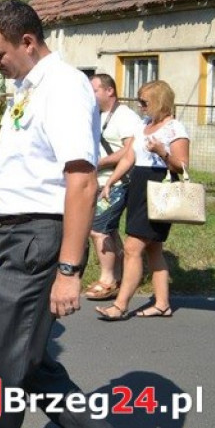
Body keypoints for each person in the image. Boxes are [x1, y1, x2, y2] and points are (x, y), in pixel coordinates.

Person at [0, 0, 113, 428]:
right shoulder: (31, 85)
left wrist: (70, 270)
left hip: (37, 238)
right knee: (29, 364)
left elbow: (83, 180)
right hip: (18, 237)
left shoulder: (64, 87)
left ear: (29, 41)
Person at [96, 80, 189, 322]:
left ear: (159, 100)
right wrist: (110, 181)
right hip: (139, 186)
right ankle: (162, 304)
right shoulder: (144, 125)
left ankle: (120, 305)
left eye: (145, 101)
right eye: (139, 101)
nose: (141, 106)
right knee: (153, 248)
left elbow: (182, 165)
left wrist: (162, 152)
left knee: (132, 248)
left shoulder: (175, 128)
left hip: (160, 187)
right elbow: (128, 157)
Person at [82, 74, 138, 301]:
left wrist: (101, 163)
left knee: (98, 229)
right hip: (101, 181)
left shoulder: (125, 116)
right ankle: (117, 276)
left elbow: (130, 150)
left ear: (109, 91)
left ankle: (107, 279)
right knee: (109, 229)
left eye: (94, 90)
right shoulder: (99, 115)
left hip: (117, 182)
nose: (91, 95)